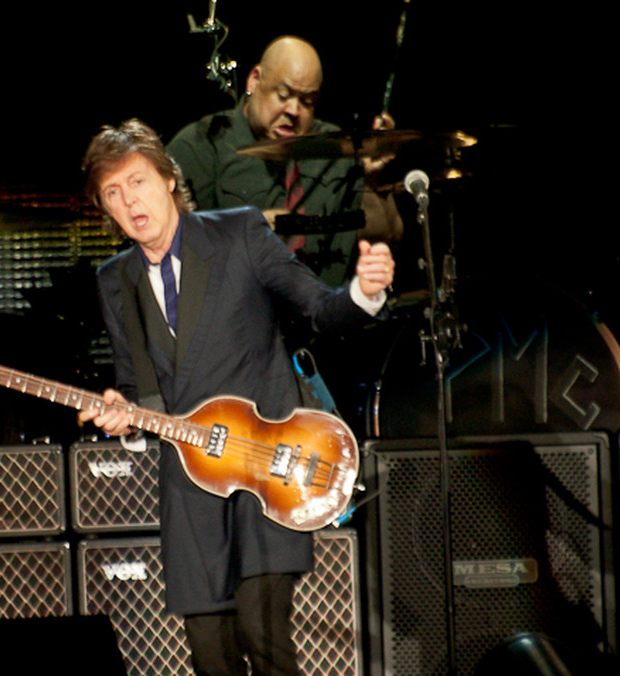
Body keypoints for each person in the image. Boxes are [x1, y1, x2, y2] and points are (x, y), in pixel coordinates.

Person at [77, 119, 394, 675]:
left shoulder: (239, 233)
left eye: (137, 182)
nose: (129, 201)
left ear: (168, 179)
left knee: (264, 636)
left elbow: (319, 308)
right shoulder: (114, 279)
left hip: (266, 470)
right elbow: (139, 389)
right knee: (211, 655)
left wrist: (363, 293)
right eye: (113, 193)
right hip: (191, 484)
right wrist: (123, 415)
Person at [167, 35, 402, 287]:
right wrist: (248, 232)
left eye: (307, 102)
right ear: (254, 80)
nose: (293, 110)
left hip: (322, 314)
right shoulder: (201, 146)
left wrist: (373, 181)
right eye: (283, 95)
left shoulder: (335, 148)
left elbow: (386, 235)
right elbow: (172, 247)